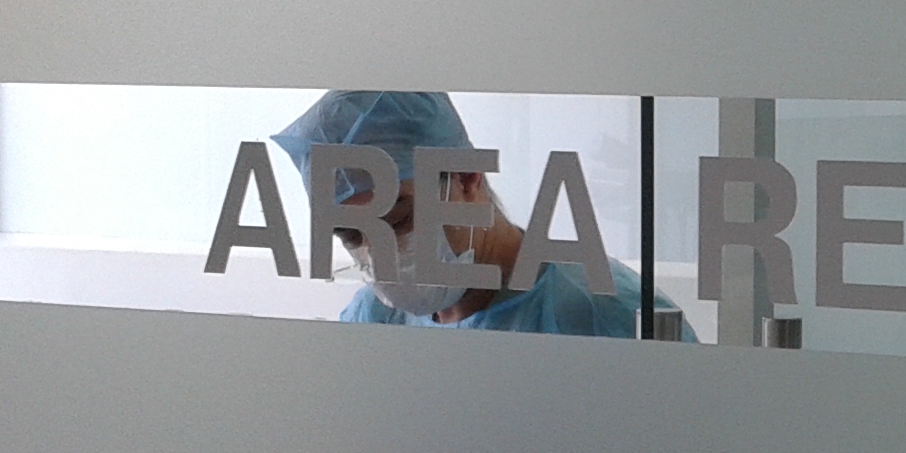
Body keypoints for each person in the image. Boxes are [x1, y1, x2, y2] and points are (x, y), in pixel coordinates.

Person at [272, 90, 674, 337]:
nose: (380, 254)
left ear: (467, 177)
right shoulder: (376, 317)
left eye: (398, 221)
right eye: (353, 235)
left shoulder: (606, 315)